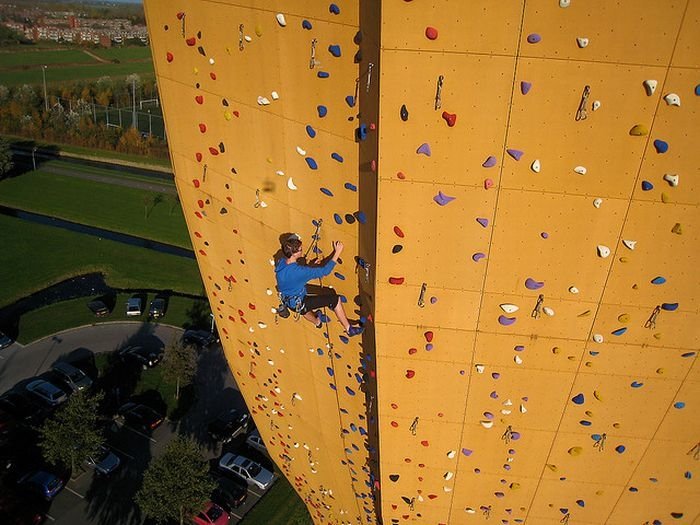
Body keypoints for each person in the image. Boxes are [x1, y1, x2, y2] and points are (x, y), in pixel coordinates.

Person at [275, 234, 364, 337]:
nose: (302, 250)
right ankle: (349, 329)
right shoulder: (300, 271)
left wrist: (310, 266)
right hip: (299, 299)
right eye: (300, 249)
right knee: (335, 299)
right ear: (294, 254)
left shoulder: (281, 262)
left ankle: (317, 322)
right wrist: (337, 252)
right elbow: (325, 271)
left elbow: (294, 274)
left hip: (288, 300)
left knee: (303, 310)